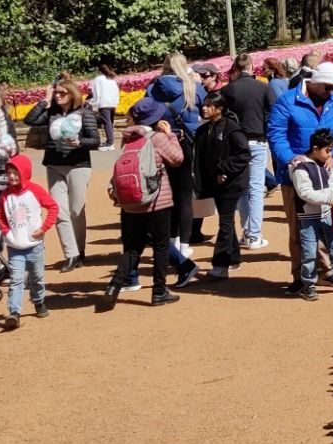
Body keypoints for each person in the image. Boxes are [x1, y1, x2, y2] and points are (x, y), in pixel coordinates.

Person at [105, 98, 186, 307]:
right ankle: (159, 291)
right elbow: (177, 159)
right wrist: (170, 136)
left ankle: (114, 285)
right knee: (160, 246)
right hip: (158, 200)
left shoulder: (129, 139)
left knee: (132, 248)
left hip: (132, 202)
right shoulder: (157, 138)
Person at [269, 61, 333, 248]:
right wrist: (290, 158)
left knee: (331, 223)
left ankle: (331, 270)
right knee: (299, 230)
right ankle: (301, 275)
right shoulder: (287, 101)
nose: (330, 91)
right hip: (297, 174)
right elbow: (276, 134)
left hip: (329, 171)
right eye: (327, 87)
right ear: (315, 82)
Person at [24, 76, 100, 272]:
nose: (58, 96)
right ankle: (71, 254)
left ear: (72, 94)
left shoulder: (85, 113)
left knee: (76, 211)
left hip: (78, 165)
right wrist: (45, 100)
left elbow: (95, 140)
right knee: (58, 211)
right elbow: (29, 119)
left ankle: (80, 250)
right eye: (56, 92)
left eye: (62, 93)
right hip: (54, 165)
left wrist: (80, 143)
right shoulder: (51, 113)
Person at [146, 54, 202, 263]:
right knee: (184, 197)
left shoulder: (153, 87)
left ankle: (170, 243)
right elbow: (207, 107)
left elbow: (145, 110)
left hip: (162, 143)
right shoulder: (192, 86)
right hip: (186, 142)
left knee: (165, 196)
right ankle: (184, 246)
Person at [0, 152, 59, 329]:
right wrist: (7, 233)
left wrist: (44, 228)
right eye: (8, 173)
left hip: (34, 245)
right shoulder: (5, 195)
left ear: (24, 173)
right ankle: (14, 312)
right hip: (15, 246)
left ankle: (38, 301)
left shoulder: (35, 190)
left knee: (37, 277)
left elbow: (53, 207)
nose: (11, 176)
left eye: (15, 173)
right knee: (16, 280)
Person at [288, 126, 333, 299]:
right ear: (315, 149)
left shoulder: (327, 165)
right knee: (309, 251)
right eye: (327, 151)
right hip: (308, 217)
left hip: (327, 214)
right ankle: (308, 283)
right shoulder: (300, 167)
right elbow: (305, 193)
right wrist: (328, 200)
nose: (330, 155)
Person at [195, 90, 253, 278]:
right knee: (226, 220)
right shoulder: (204, 130)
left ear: (219, 109)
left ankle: (220, 265)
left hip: (232, 183)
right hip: (215, 183)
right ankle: (234, 257)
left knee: (225, 222)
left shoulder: (231, 129)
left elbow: (244, 154)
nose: (204, 108)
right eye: (203, 105)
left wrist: (224, 169)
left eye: (209, 106)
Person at [219, 54, 273, 251]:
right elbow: (273, 113)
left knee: (242, 189)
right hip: (258, 141)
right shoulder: (263, 87)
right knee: (256, 189)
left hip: (235, 143)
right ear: (252, 66)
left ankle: (247, 232)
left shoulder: (228, 89)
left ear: (236, 67)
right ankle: (254, 234)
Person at [90, 66, 121, 148]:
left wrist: (94, 103)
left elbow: (97, 92)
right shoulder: (111, 79)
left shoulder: (98, 79)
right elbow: (117, 91)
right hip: (112, 103)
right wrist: (116, 102)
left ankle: (110, 142)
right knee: (110, 123)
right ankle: (110, 141)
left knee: (107, 123)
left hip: (104, 103)